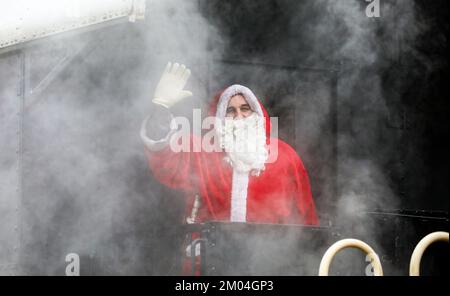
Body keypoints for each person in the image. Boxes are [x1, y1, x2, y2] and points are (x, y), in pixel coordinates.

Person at [140, 62, 318, 274]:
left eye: (246, 109)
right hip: (213, 265)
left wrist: (310, 260)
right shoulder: (201, 152)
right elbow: (164, 157)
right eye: (231, 111)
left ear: (258, 115)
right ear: (220, 119)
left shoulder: (285, 156)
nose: (240, 116)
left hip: (272, 265)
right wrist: (160, 109)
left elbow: (305, 215)